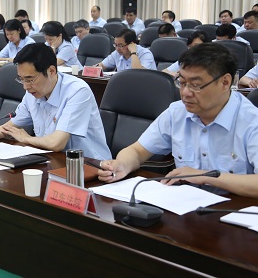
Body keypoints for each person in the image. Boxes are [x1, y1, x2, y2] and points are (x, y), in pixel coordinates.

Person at [98, 43, 258, 198]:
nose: (185, 93)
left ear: (225, 82)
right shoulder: (177, 112)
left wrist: (206, 176)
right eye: (181, 83)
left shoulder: (251, 121)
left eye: (195, 85)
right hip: (184, 205)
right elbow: (137, 151)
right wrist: (122, 165)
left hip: (236, 209)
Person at [0, 43, 111, 160]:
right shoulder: (32, 93)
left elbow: (56, 143)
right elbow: (11, 127)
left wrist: (26, 138)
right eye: (21, 79)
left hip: (90, 166)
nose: (26, 87)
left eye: (30, 79)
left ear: (51, 71)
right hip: (53, 159)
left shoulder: (77, 91)